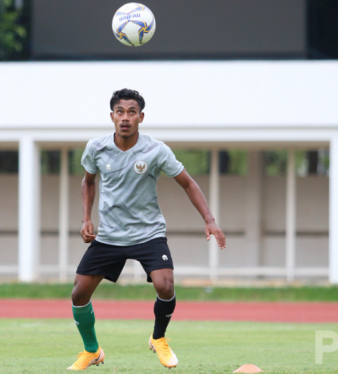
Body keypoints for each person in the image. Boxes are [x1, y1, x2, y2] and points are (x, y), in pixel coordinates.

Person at [67, 89, 226, 370]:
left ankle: (158, 338)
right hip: (110, 236)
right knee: (79, 294)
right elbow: (88, 181)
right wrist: (86, 218)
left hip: (148, 233)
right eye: (119, 112)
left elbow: (187, 182)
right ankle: (92, 350)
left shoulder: (156, 150)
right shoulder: (96, 148)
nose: (125, 118)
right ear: (112, 116)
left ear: (141, 117)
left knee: (165, 286)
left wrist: (210, 219)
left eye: (131, 112)